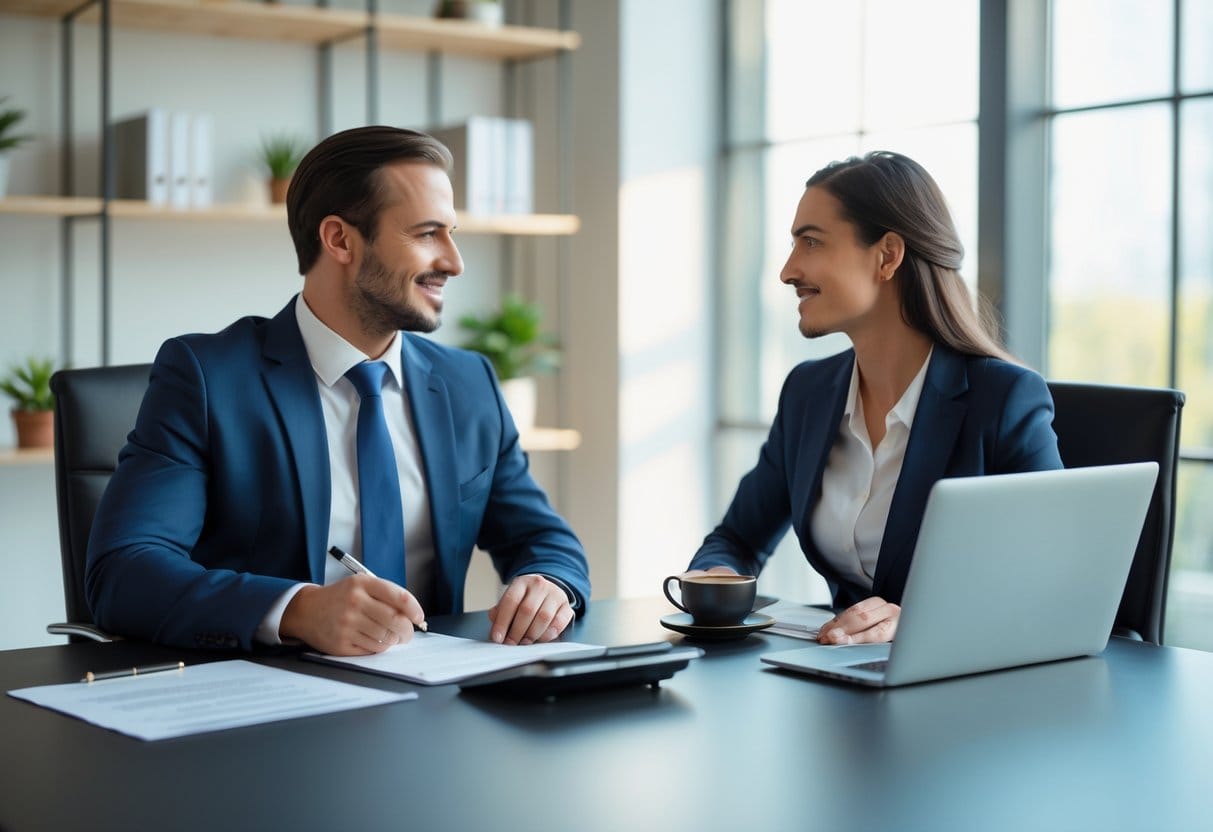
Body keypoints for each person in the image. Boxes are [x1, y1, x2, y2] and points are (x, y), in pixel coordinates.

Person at [86, 125, 590, 656]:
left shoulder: (469, 384)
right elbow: (124, 570)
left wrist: (549, 585)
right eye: (426, 234)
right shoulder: (208, 377)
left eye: (452, 233)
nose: (454, 261)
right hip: (272, 704)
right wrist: (299, 609)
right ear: (340, 239)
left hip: (436, 699)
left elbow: (545, 541)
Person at [685, 151, 1062, 645]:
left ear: (887, 256)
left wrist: (925, 623)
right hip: (841, 682)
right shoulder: (809, 394)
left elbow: (1050, 587)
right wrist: (715, 583)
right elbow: (736, 540)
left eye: (812, 242)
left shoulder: (1004, 399)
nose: (787, 271)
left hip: (963, 691)